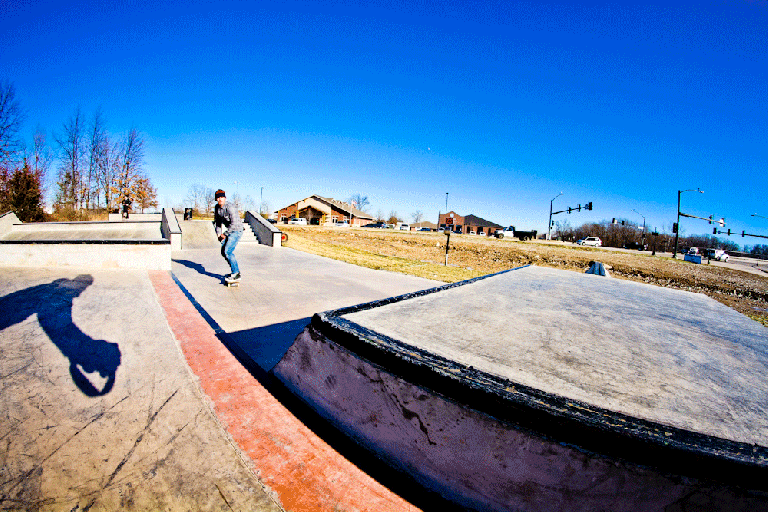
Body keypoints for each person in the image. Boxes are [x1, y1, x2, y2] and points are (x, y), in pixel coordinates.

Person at [214, 189, 243, 282]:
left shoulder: (230, 207)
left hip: (237, 230)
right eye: (218, 198)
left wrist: (225, 234)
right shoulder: (217, 208)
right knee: (223, 252)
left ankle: (236, 273)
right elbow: (218, 222)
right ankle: (234, 271)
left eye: (222, 197)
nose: (220, 199)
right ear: (216, 199)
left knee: (228, 251)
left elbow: (234, 223)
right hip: (229, 231)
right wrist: (218, 234)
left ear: (225, 198)